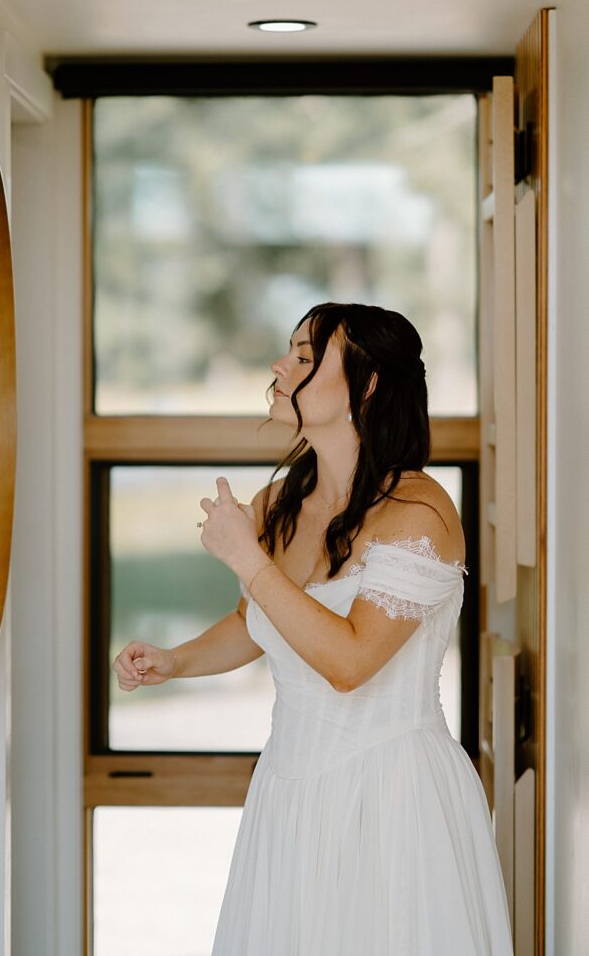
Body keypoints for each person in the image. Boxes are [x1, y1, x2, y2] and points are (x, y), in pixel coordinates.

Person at [112, 301, 514, 955]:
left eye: (303, 357)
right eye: (288, 351)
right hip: (287, 792)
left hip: (392, 795)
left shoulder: (417, 509)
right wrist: (174, 661)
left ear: (368, 384)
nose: (278, 366)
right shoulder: (276, 504)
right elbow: (257, 623)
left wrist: (245, 556)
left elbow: (350, 661)